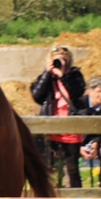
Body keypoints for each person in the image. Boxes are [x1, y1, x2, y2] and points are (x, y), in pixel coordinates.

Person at [30, 46, 86, 188]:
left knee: (72, 168)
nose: (60, 63)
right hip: (50, 127)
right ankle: (45, 197)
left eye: (64, 59)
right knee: (46, 166)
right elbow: (37, 96)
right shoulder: (47, 76)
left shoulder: (75, 75)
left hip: (70, 127)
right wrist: (48, 73)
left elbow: (76, 93)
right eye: (57, 59)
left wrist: (63, 75)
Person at [76, 78, 101, 188]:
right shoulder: (79, 103)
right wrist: (79, 146)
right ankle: (72, 188)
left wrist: (95, 144)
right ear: (90, 91)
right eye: (99, 91)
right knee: (71, 154)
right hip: (75, 143)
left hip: (91, 144)